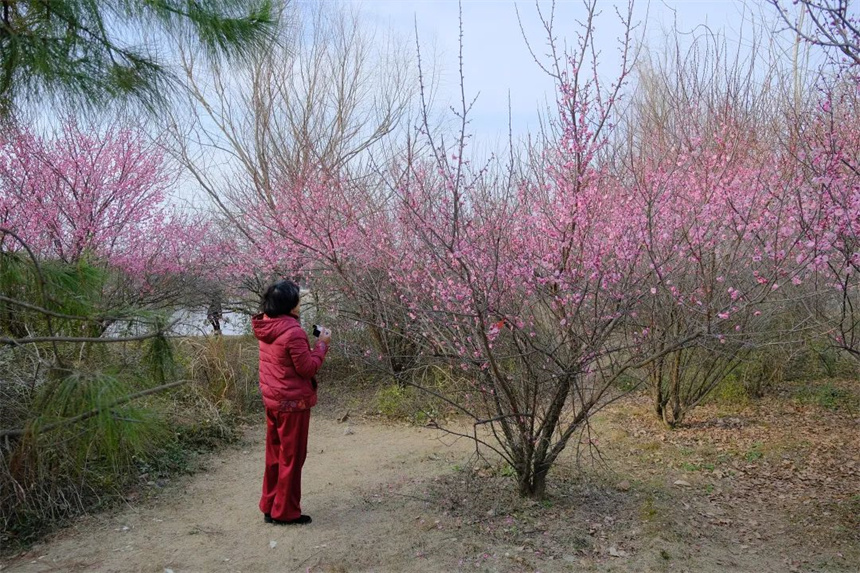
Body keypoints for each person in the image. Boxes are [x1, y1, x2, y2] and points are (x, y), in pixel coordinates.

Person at [252, 279, 331, 525]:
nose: (300, 302)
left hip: (273, 400)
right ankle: (285, 511)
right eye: (297, 299)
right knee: (292, 457)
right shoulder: (292, 331)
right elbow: (307, 369)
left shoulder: (265, 323)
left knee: (275, 454)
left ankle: (270, 504)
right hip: (292, 404)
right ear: (290, 305)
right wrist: (321, 345)